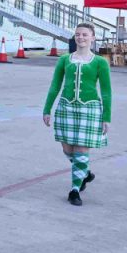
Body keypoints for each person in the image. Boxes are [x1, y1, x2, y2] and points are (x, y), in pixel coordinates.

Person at [42, 22, 113, 206]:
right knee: (67, 149)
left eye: (85, 34)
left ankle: (75, 190)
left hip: (89, 109)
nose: (81, 37)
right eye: (78, 34)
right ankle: (85, 173)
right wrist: (47, 109)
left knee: (81, 150)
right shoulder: (64, 59)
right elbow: (55, 85)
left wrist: (106, 117)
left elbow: (106, 91)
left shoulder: (100, 62)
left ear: (93, 38)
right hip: (66, 108)